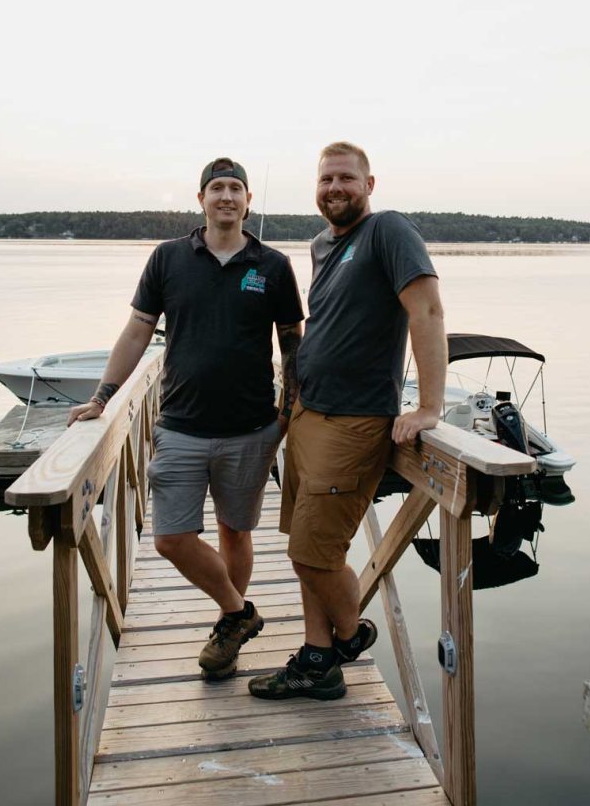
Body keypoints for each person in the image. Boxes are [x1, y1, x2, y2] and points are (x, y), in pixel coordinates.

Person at [68, 157, 303, 680]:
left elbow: (292, 344)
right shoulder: (168, 258)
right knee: (170, 538)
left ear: (248, 201)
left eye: (236, 188)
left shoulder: (273, 266)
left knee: (235, 533)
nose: (226, 196)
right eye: (217, 188)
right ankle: (240, 612)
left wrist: (287, 414)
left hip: (251, 429)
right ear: (201, 199)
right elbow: (137, 331)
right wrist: (102, 397)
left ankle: (226, 632)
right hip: (180, 425)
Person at [249, 141, 446, 702]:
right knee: (310, 549)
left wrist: (428, 407)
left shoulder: (388, 231)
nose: (334, 188)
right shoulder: (321, 245)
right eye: (325, 179)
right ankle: (318, 661)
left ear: (369, 184)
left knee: (310, 555)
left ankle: (349, 633)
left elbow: (427, 310)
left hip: (355, 421)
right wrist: (289, 406)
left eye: (346, 178)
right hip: (309, 415)